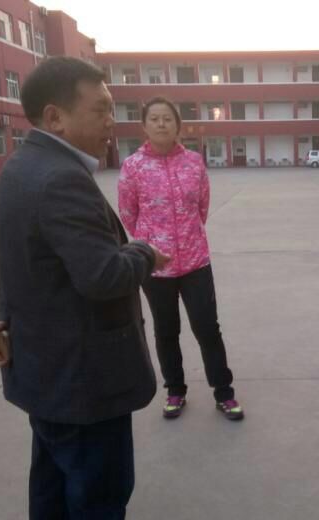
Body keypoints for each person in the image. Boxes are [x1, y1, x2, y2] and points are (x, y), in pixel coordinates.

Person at [0, 56, 173, 520]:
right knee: (98, 500)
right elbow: (102, 275)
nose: (112, 121)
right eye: (100, 110)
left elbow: (17, 268)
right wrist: (144, 252)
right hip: (84, 381)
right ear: (55, 117)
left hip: (45, 373)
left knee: (52, 492)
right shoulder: (60, 179)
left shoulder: (21, 168)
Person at [118, 97, 243, 421]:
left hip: (195, 261)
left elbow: (202, 206)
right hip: (155, 266)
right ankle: (175, 390)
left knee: (207, 328)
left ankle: (224, 392)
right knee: (166, 331)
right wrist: (151, 243)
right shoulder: (133, 166)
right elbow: (128, 213)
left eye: (167, 119)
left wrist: (188, 237)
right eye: (154, 119)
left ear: (177, 126)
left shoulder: (194, 162)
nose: (161, 124)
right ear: (144, 126)